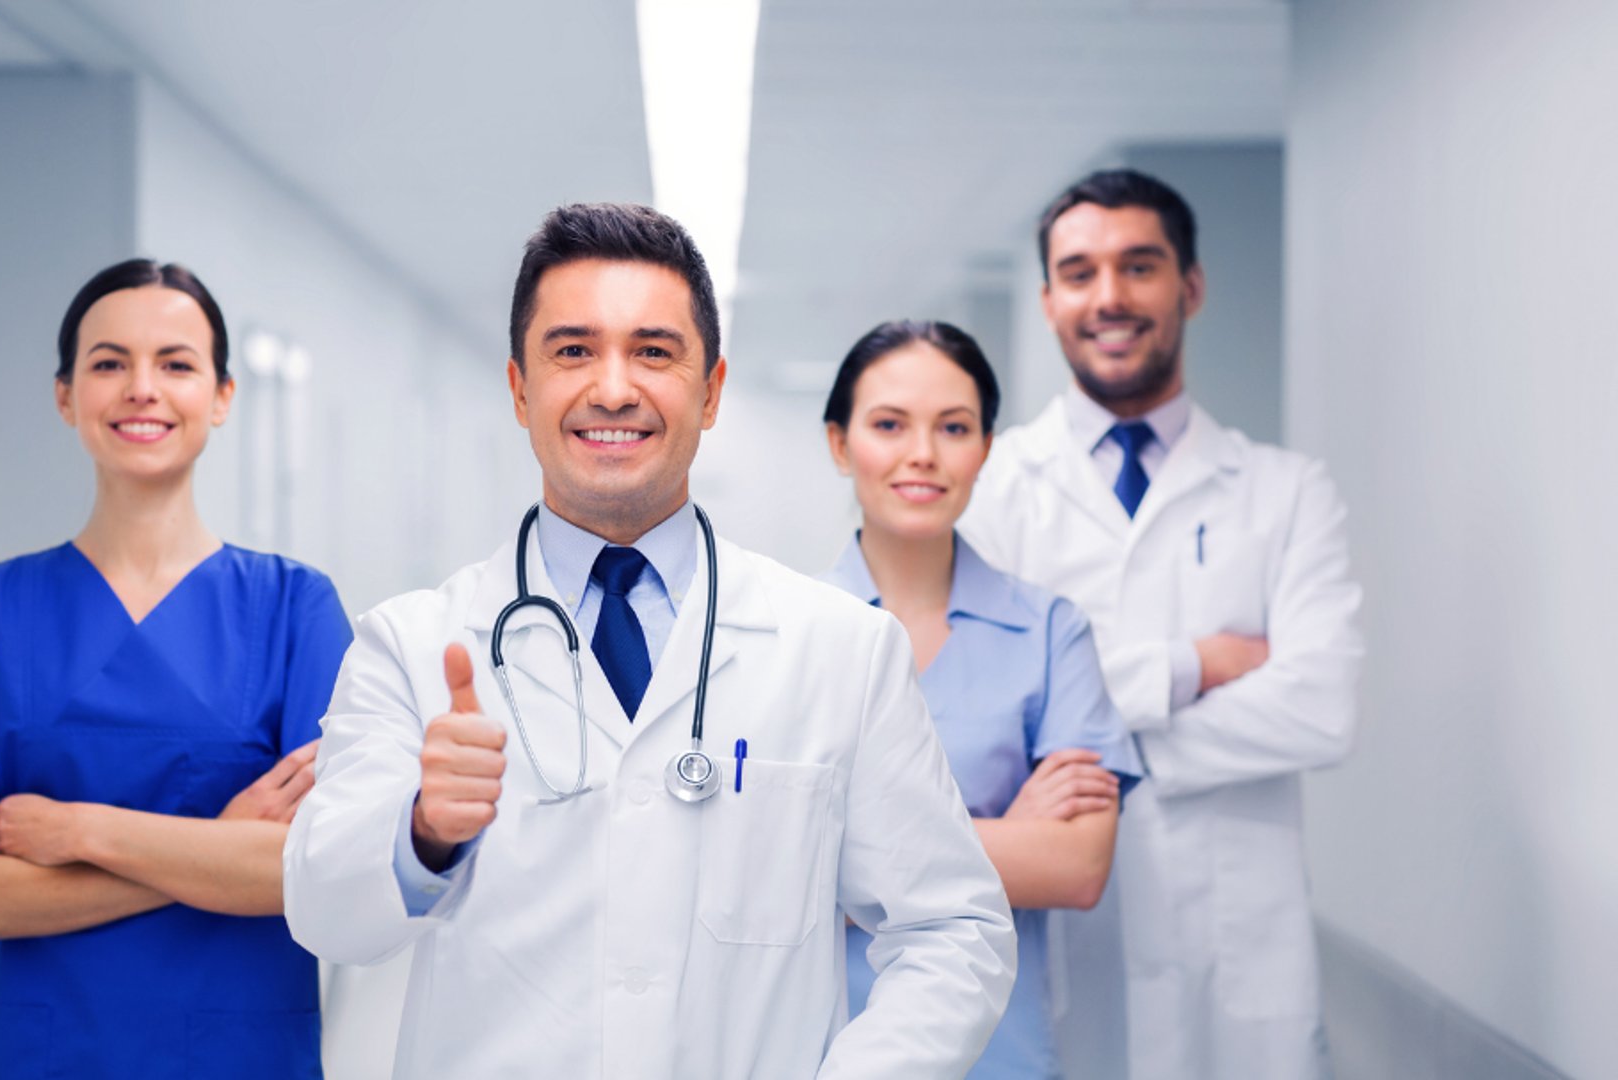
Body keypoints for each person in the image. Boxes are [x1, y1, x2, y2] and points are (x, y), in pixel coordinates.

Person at [283, 203, 1016, 1079]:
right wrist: (423, 832)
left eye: (655, 352)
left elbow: (951, 930)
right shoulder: (410, 645)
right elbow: (322, 914)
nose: (615, 388)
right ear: (520, 389)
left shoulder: (843, 652)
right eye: (573, 350)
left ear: (711, 391)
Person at [0, 259, 351, 1080]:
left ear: (223, 396)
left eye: (176, 363)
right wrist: (216, 848)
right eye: (109, 363)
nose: (142, 388)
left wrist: (81, 832)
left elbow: (309, 870)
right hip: (34, 1055)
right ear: (66, 397)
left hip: (234, 1052)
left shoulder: (295, 609)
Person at [960, 170, 1364, 1080]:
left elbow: (1320, 709)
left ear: (1190, 285)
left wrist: (1084, 740)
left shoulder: (1286, 493)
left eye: (1139, 266)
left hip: (1239, 959)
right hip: (1063, 954)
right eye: (1079, 272)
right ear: (1048, 299)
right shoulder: (991, 490)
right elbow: (991, 724)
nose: (1109, 296)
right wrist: (1196, 665)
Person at [819, 319, 1143, 1079]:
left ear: (986, 450)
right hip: (829, 1050)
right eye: (889, 424)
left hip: (1002, 1053)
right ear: (839, 443)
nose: (922, 453)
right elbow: (756, 877)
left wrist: (841, 855)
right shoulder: (787, 635)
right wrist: (1007, 833)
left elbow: (1078, 867)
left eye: (954, 427)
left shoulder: (1049, 633)